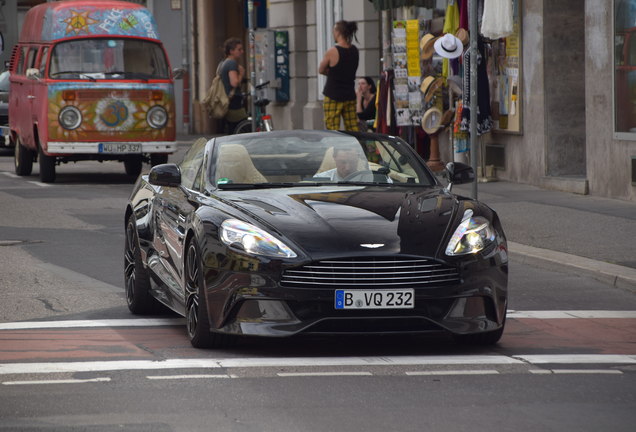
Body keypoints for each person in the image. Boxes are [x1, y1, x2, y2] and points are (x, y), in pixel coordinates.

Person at [318, 20, 360, 131]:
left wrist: (331, 73)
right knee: (353, 128)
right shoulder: (355, 50)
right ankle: (357, 147)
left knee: (332, 128)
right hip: (349, 94)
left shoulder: (332, 51)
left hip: (333, 94)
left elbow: (321, 69)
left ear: (338, 32)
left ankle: (333, 148)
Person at [219, 38, 247, 134]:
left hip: (228, 100)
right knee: (242, 126)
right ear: (231, 51)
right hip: (234, 100)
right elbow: (234, 82)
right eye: (239, 49)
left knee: (232, 129)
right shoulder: (231, 63)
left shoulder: (223, 62)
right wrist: (241, 74)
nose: (242, 52)